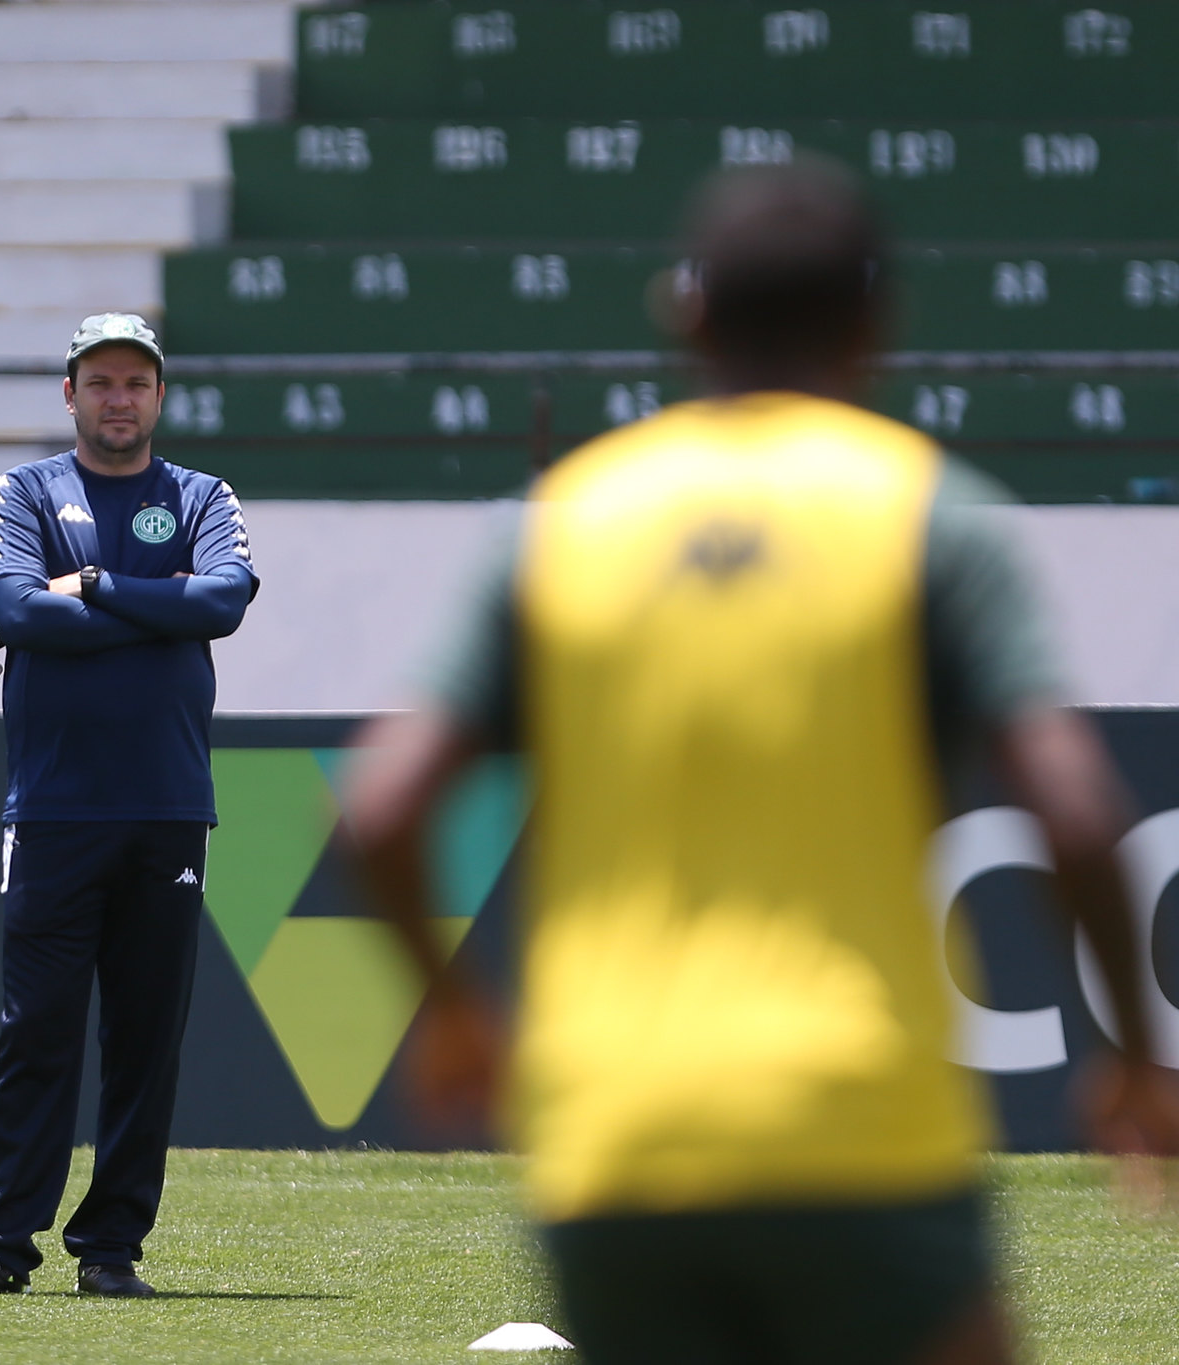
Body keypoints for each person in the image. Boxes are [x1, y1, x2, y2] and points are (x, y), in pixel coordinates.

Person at [341, 160, 1179, 1365]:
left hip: (615, 1148)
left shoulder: (555, 524)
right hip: (861, 1132)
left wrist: (458, 1014)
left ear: (682, 312)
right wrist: (1135, 1062)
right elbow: (1075, 812)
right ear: (871, 328)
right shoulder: (933, 517)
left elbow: (378, 810)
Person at [0, 313, 259, 1297]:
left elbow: (224, 605)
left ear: (160, 395)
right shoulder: (25, 490)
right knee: (35, 1031)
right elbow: (21, 612)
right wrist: (158, 608)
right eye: (100, 382)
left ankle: (110, 1252)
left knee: (144, 1039)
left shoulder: (201, 495)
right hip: (53, 810)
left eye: (135, 383)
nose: (119, 399)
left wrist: (102, 586)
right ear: (69, 394)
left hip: (166, 806)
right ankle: (2, 1248)